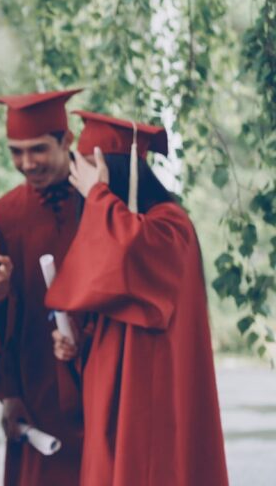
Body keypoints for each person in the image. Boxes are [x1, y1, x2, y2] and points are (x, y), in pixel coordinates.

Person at [47, 110, 228, 486]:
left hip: (152, 394)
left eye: (94, 173)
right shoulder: (110, 222)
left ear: (119, 171)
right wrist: (77, 344)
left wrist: (96, 194)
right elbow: (110, 304)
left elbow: (132, 255)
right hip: (111, 397)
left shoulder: (170, 225)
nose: (86, 188)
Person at [0, 89, 85, 485]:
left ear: (67, 140)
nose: (26, 163)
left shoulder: (101, 206)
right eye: (16, 151)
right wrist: (10, 394)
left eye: (37, 150)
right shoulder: (4, 215)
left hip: (100, 377)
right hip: (36, 386)